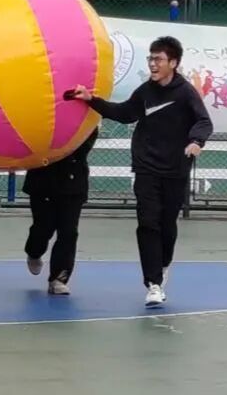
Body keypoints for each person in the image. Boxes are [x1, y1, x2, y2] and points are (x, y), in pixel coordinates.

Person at [71, 36, 213, 307]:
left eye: (158, 59)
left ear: (173, 63)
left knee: (167, 225)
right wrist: (91, 100)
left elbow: (204, 121)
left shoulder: (185, 92)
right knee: (147, 223)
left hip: (175, 169)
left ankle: (163, 264)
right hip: (146, 167)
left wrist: (196, 141)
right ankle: (153, 283)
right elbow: (124, 113)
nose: (153, 64)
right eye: (151, 58)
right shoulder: (146, 91)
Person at [22, 127, 99, 295]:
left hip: (73, 183)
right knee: (43, 227)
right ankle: (34, 252)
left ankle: (59, 279)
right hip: (42, 179)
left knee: (68, 232)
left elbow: (85, 144)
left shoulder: (87, 119)